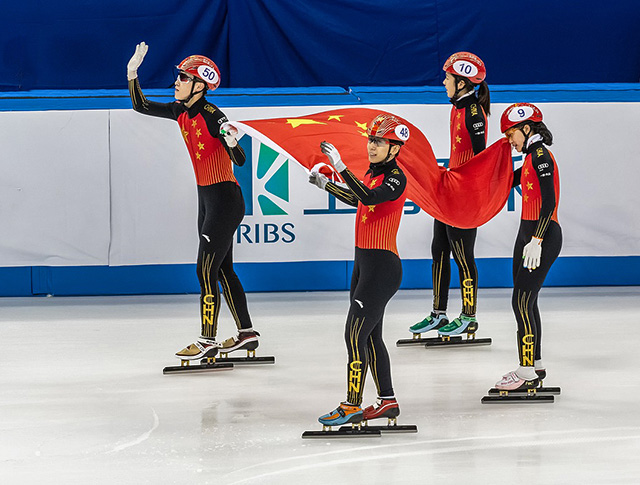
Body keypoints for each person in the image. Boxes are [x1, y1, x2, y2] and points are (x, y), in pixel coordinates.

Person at [126, 42, 259, 361]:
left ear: (200, 86)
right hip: (208, 199)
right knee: (223, 269)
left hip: (225, 199)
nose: (176, 82)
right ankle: (247, 334)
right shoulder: (178, 111)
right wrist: (132, 74)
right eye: (178, 77)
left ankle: (207, 339)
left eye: (183, 78)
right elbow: (141, 106)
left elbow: (239, 160)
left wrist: (231, 140)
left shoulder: (214, 116)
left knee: (206, 270)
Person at [308, 114, 409, 426]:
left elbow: (369, 197)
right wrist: (326, 183)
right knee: (369, 336)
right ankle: (387, 401)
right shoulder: (374, 174)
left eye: (379, 142)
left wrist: (340, 167)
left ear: (394, 149)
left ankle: (352, 405)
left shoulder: (395, 178)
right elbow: (359, 200)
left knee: (354, 335)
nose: (372, 146)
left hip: (381, 267)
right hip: (364, 264)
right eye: (371, 140)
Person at [410, 51, 491, 338]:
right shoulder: (457, 107)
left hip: (464, 197)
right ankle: (438, 313)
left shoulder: (472, 113)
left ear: (462, 82)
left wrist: (469, 189)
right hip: (450, 190)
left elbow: (481, 159)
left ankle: (469, 316)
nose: (443, 82)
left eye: (448, 78)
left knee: (462, 255)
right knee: (439, 249)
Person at [495, 103, 562, 391]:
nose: (510, 141)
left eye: (512, 135)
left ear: (526, 128)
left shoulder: (541, 157)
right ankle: (534, 364)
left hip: (541, 236)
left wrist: (537, 239)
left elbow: (549, 202)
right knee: (527, 300)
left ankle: (525, 372)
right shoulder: (531, 158)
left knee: (520, 301)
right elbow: (505, 182)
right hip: (528, 235)